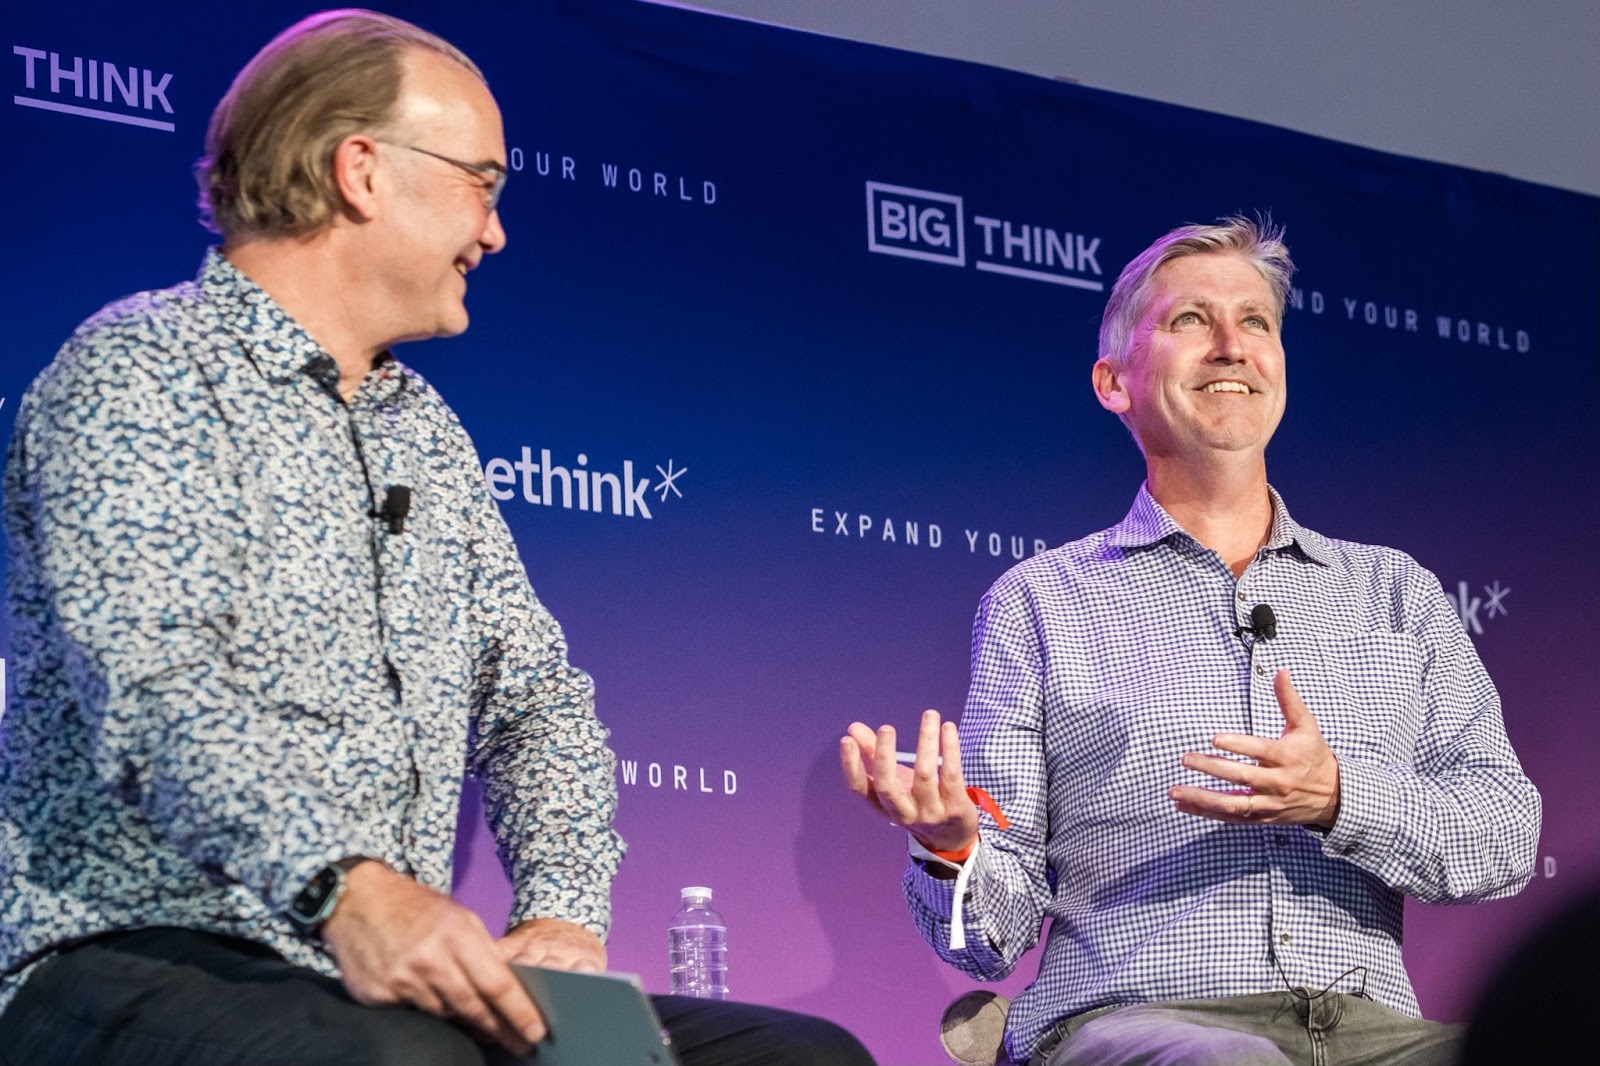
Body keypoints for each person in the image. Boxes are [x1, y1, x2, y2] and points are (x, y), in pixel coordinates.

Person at [0, 10, 872, 1066]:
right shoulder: (143, 370)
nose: (495, 230)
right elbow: (156, 687)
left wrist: (560, 913)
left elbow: (538, 703)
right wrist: (348, 887)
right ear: (361, 170)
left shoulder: (424, 430)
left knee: (795, 1058)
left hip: (360, 985)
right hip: (131, 951)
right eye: (482, 182)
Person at [841, 217, 1540, 1066]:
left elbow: (1505, 833)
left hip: (1375, 1033)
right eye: (1189, 322)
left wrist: (1339, 798)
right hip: (1140, 1024)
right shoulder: (1042, 604)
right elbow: (994, 932)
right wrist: (953, 846)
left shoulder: (1395, 594)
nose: (1230, 347)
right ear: (1113, 381)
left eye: (1256, 323)